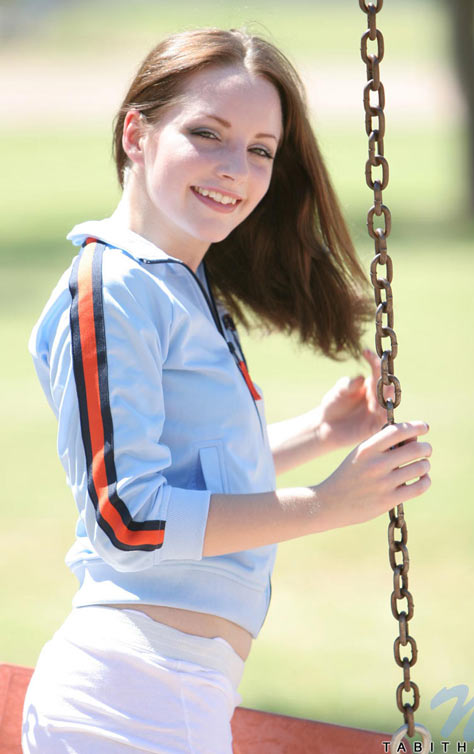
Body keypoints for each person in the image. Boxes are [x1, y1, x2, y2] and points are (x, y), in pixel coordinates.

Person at [22, 27, 432, 754]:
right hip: (127, 705)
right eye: (206, 133)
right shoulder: (108, 288)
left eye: (260, 149)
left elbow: (192, 479)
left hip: (173, 697)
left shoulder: (177, 286)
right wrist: (327, 504)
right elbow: (127, 518)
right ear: (136, 134)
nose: (234, 168)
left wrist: (321, 433)